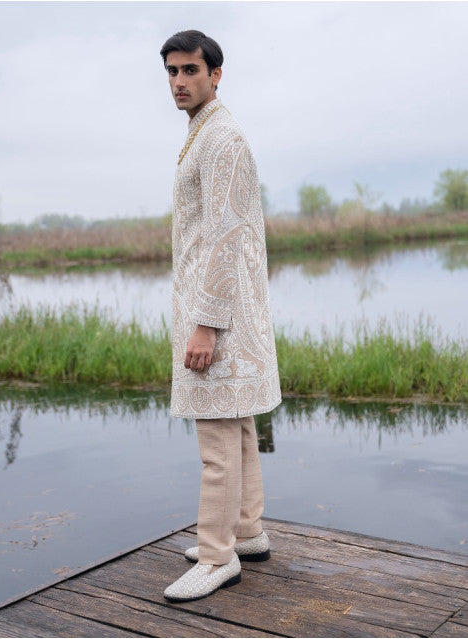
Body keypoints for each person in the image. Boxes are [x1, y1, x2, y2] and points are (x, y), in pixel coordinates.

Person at [160, 30, 281, 603]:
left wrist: (205, 323)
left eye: (190, 70)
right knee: (237, 424)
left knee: (216, 439)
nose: (179, 82)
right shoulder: (204, 133)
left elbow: (227, 237)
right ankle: (247, 532)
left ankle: (216, 557)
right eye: (172, 72)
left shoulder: (222, 139)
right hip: (224, 309)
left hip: (219, 316)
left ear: (215, 74)